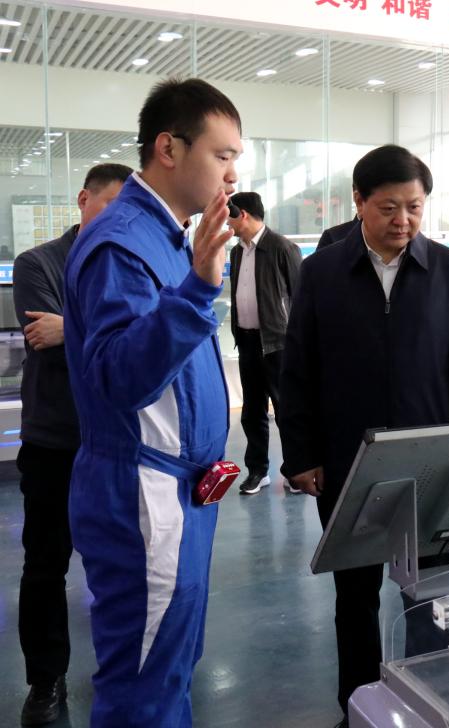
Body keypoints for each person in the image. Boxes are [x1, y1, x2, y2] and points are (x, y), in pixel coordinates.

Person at [277, 144, 449, 727]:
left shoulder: (448, 270)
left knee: (430, 592)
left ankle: (430, 698)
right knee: (355, 595)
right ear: (359, 202)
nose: (403, 220)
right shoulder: (322, 272)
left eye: (414, 208)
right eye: (389, 207)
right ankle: (358, 704)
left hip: (432, 467)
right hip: (349, 464)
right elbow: (298, 370)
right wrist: (301, 454)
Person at [62, 78, 242, 727]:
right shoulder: (124, 243)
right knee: (142, 687)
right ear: (169, 148)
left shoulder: (168, 237)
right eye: (222, 155)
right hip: (143, 496)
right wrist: (196, 290)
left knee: (169, 668)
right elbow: (118, 377)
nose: (232, 174)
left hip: (178, 494)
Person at [13, 162, 132, 726]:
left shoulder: (129, 262)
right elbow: (46, 339)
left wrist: (73, 328)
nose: (119, 220)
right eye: (110, 206)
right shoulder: (39, 263)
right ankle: (45, 679)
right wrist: (114, 336)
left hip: (120, 441)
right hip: (55, 441)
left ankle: (127, 670)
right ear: (84, 200)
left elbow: (146, 342)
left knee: (129, 564)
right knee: (45, 565)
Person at [226, 191, 302, 495]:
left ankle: (295, 471)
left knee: (286, 410)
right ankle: (258, 471)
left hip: (277, 343)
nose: (227, 224)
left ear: (242, 214)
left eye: (229, 217)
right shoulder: (236, 252)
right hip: (246, 341)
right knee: (252, 410)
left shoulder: (282, 248)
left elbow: (301, 298)